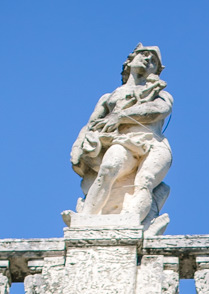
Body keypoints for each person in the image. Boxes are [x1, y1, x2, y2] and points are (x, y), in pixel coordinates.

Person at [69, 45, 173, 229]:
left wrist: (120, 117)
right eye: (144, 55)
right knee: (108, 168)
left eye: (154, 61)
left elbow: (159, 110)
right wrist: (78, 146)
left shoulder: (160, 93)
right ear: (130, 61)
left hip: (153, 144)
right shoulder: (109, 97)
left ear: (156, 71)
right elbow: (91, 123)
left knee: (145, 180)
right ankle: (85, 218)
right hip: (122, 141)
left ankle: (128, 222)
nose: (148, 60)